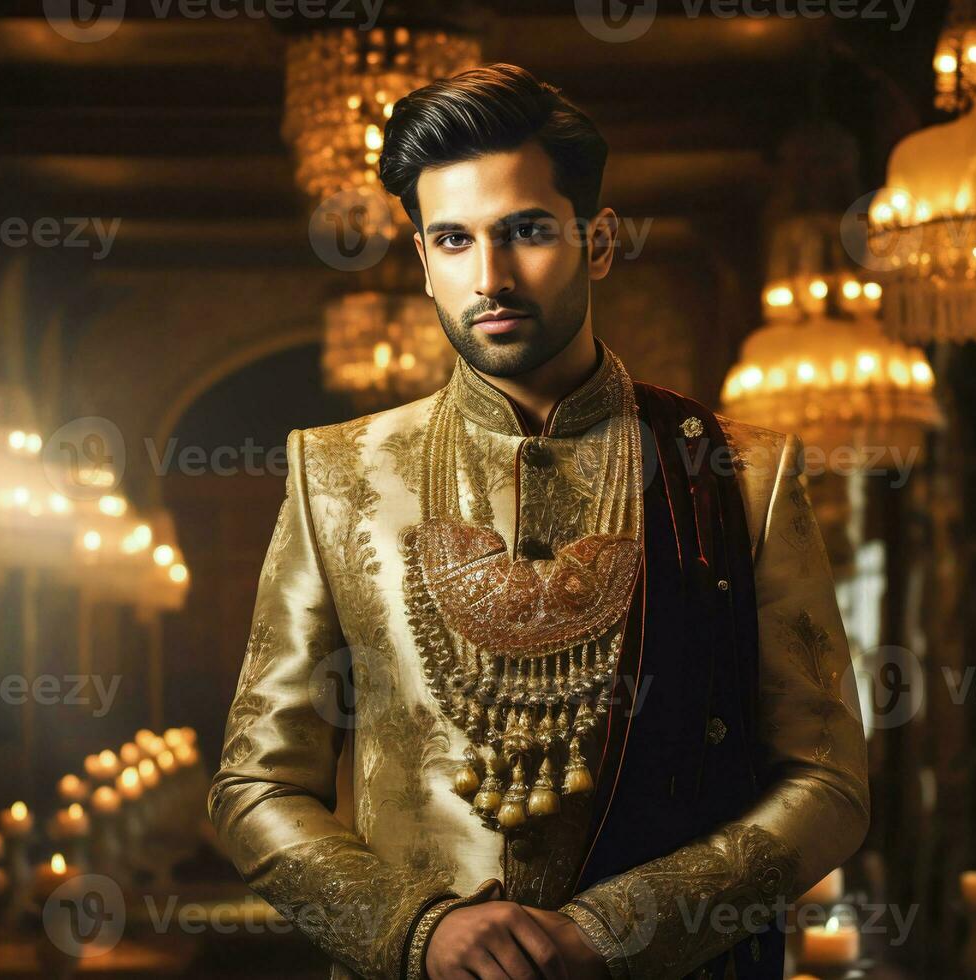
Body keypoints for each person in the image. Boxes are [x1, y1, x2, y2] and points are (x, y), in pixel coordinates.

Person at [210, 63, 869, 980]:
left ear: (596, 242)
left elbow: (828, 784)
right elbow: (254, 785)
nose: (490, 277)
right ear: (423, 254)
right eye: (451, 239)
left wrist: (613, 931)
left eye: (524, 232)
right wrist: (417, 931)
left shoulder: (736, 473)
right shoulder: (334, 474)